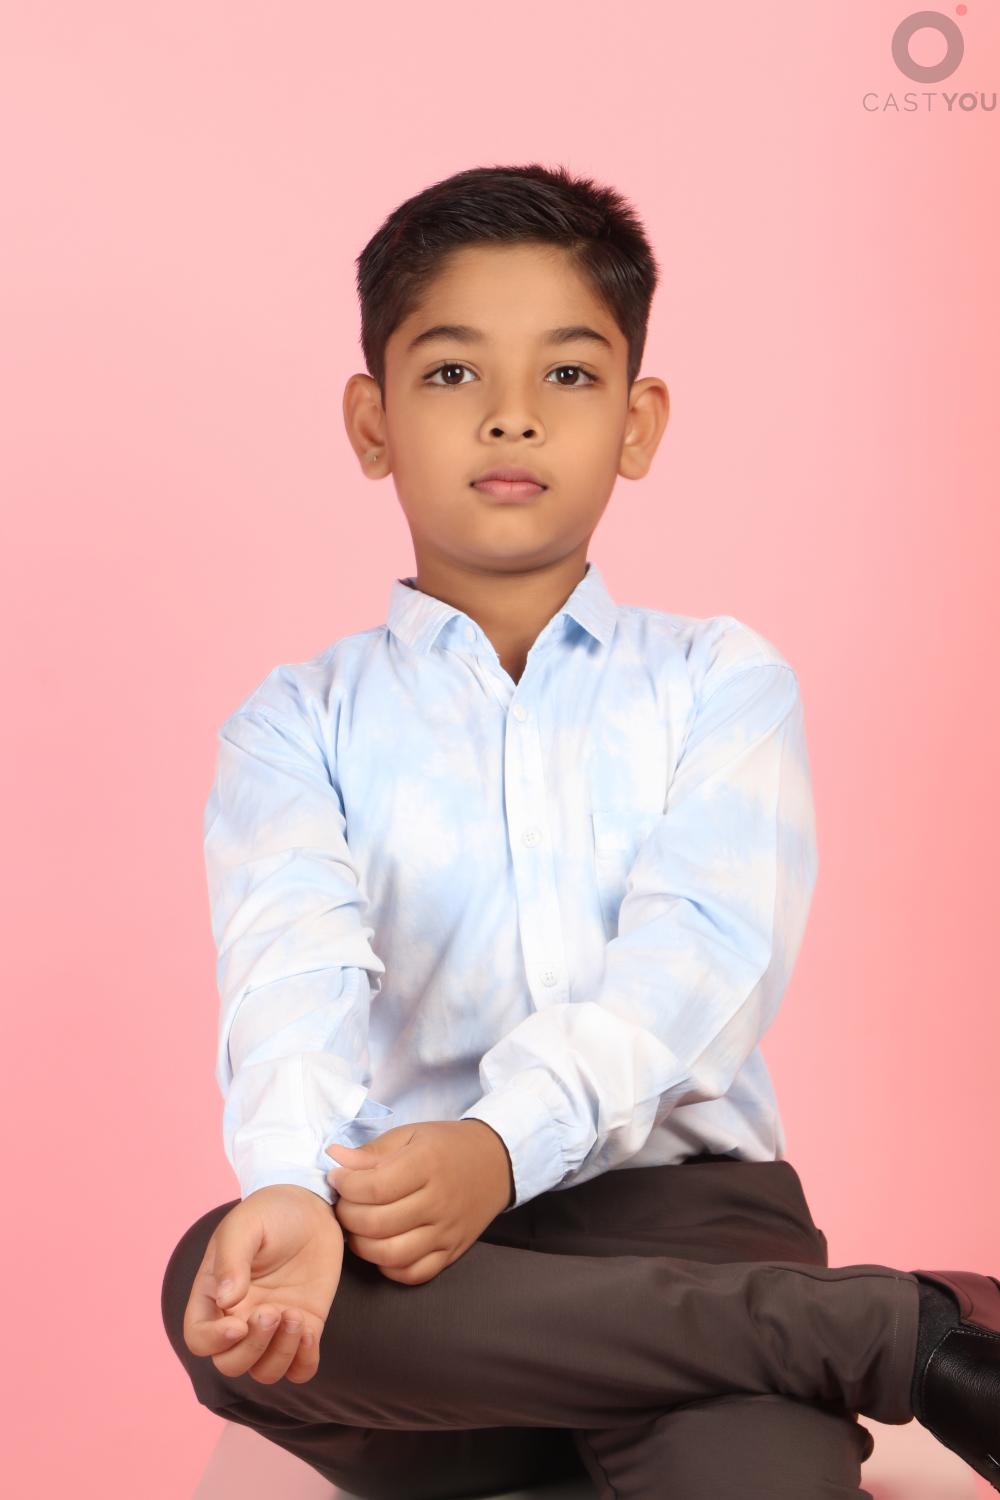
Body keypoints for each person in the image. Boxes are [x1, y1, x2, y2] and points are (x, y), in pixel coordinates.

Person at [160, 163, 1000, 1499]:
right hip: (421, 1259)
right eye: (451, 373)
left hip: (695, 1224)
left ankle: (597, 1382)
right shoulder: (293, 722)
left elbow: (701, 960)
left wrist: (502, 1148)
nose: (512, 415)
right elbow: (290, 970)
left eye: (567, 373)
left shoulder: (718, 679)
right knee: (217, 1284)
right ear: (372, 423)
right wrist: (285, 1184)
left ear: (637, 422)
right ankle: (880, 1333)